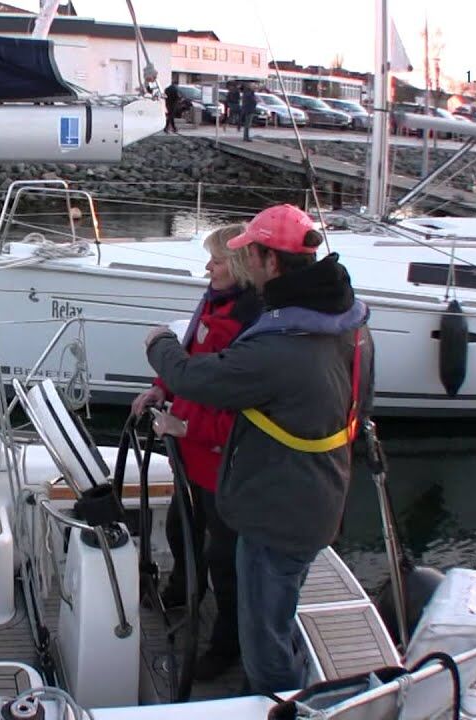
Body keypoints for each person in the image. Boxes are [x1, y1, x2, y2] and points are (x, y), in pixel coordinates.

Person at [143, 204, 374, 694]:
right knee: (275, 613)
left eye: (250, 252)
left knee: (262, 638)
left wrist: (159, 344)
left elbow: (194, 377)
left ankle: (275, 700)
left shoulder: (279, 344)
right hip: (315, 497)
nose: (243, 261)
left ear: (270, 260)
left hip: (276, 513)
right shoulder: (348, 325)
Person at [130, 224, 262, 680]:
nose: (208, 268)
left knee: (225, 561)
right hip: (191, 456)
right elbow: (189, 358)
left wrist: (186, 426)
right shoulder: (214, 301)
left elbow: (243, 411)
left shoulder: (251, 326)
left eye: (217, 261)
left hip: (225, 466)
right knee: (180, 530)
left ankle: (227, 644)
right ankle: (181, 593)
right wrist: (160, 389)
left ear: (240, 265)